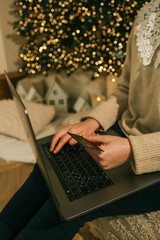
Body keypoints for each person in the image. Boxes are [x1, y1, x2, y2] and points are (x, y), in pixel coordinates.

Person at [0, 0, 160, 239]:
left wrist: (132, 150)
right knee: (49, 166)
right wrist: (91, 122)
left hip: (151, 160)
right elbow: (125, 89)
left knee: (67, 204)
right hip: (125, 135)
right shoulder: (148, 14)